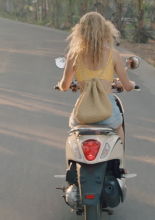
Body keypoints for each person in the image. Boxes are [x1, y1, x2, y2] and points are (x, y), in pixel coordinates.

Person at [56, 12, 136, 145]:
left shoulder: (74, 54)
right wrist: (132, 84)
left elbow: (64, 86)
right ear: (105, 31)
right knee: (118, 129)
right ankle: (119, 157)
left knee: (73, 136)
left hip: (82, 116)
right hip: (108, 114)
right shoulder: (113, 54)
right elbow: (127, 86)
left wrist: (60, 85)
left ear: (80, 31)